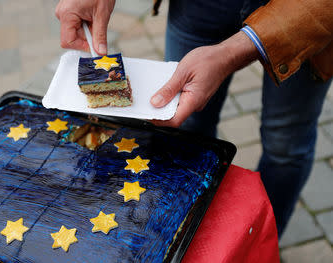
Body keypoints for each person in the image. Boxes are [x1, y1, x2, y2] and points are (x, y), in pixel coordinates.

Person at [55, 0, 332, 237]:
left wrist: (232, 51)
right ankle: (190, 229)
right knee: (186, 126)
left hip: (308, 15)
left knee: (285, 143)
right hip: (199, 7)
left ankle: (261, 241)